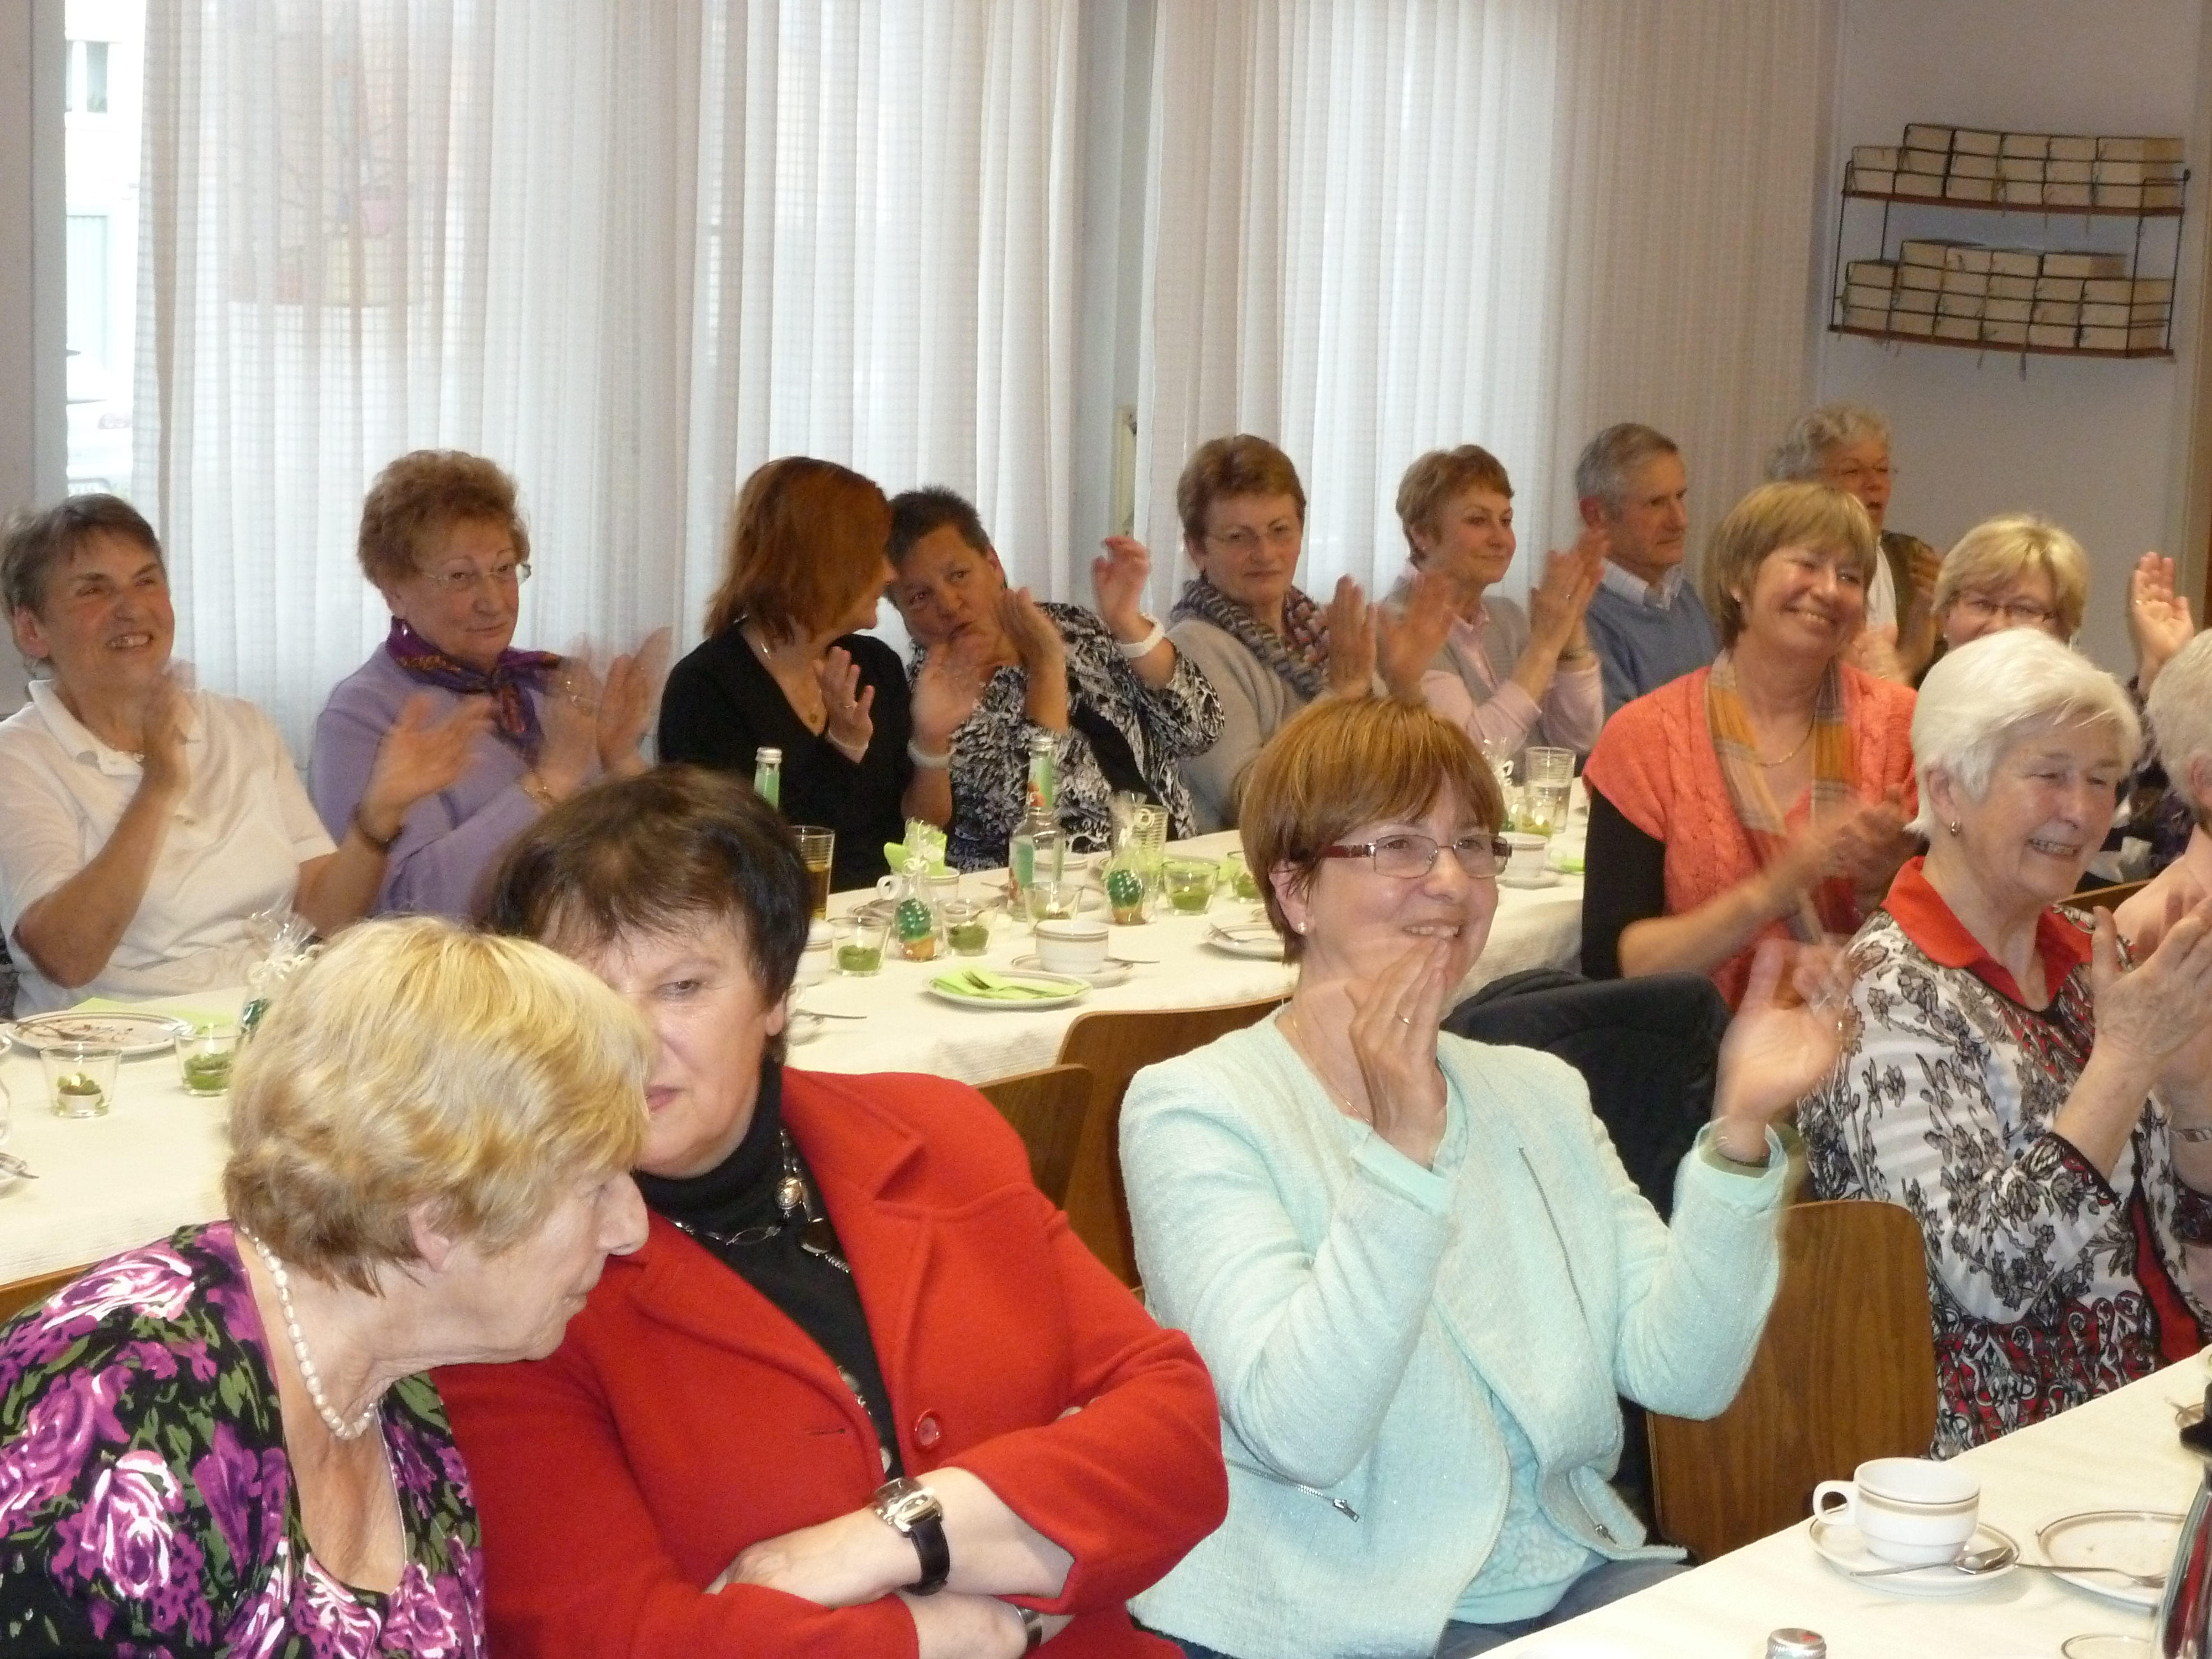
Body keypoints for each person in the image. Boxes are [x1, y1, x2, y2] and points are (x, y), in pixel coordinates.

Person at [438, 766, 1228, 1657]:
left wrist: (898, 1535)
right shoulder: (511, 1284)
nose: (629, 1041)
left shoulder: (939, 1137)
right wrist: (979, 1627)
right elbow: (610, 1638)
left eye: (683, 987)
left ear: (775, 993)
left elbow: (1177, 1435)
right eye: (586, 996)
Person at [1119, 695, 1848, 1659]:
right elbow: (1300, 1433)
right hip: (1339, 1619)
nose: (1452, 882)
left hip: (1574, 1580)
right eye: (1399, 847)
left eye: (1472, 844)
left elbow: (1686, 1375)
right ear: (1296, 892)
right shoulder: (1199, 1109)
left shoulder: (1537, 1092)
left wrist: (1741, 1131)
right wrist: (1401, 1157)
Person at [0, 916, 651, 1653]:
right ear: (439, 1220)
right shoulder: (122, 1422)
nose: (631, 1228)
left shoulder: (397, 1383)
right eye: (597, 1188)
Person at [1798, 630, 2212, 1456]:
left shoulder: (2089, 956)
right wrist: (2125, 1062)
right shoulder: (1883, 996)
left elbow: (2190, 1227)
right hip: (2007, 1442)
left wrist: (2192, 1087)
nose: (2083, 811)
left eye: (2101, 780)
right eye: (2049, 775)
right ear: (1947, 788)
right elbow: (1988, 1274)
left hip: (2162, 1397)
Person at [0, 495, 482, 1014]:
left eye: (146, 581)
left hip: (266, 1022)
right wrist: (159, 788)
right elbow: (67, 958)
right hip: (109, 1042)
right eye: (94, 590)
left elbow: (323, 918)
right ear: (32, 630)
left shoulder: (243, 725)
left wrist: (380, 812)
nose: (131, 608)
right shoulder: (18, 756)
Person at [1580, 482, 1917, 1009]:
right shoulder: (1645, 737)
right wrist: (1772, 891)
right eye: (1808, 564)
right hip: (1696, 1048)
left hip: (1872, 1043)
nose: (1830, 590)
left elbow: (1962, 935)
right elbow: (1614, 965)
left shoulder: (1905, 727)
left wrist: (1884, 884)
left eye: (1851, 576)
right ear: (1739, 580)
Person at [310, 450, 666, 919]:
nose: (494, 602)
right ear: (394, 591)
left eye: (504, 569)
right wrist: (552, 780)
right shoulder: (363, 715)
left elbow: (656, 866)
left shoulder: (545, 684)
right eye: (461, 577)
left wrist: (621, 760)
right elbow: (410, 909)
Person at [888, 487, 1223, 870]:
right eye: (919, 597)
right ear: (902, 615)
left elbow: (1200, 731)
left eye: (959, 575)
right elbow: (1041, 811)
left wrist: (1128, 625)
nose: (948, 604)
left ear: (993, 564)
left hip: (1170, 868)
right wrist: (1047, 667)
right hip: (1047, 890)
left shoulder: (1072, 625)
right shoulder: (929, 699)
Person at [659, 456, 919, 890]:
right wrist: (843, 747)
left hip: (883, 913)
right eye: (874, 554)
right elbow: (746, 857)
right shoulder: (706, 689)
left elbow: (911, 830)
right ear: (826, 562)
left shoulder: (876, 666)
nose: (891, 573)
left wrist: (934, 743)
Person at [1931, 518, 2199, 875]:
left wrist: (2160, 672)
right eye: (1981, 603)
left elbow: (2144, 836)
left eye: (2025, 609)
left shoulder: (2087, 728)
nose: (1998, 625)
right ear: (1945, 616)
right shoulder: (1902, 714)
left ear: (2063, 628)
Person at [1162, 436, 1380, 832]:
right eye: (1238, 537)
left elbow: (1393, 758)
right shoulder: (1189, 647)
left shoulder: (1317, 628)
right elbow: (1250, 800)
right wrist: (1340, 695)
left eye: (1280, 530)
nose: (1265, 553)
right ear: (1196, 550)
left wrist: (1405, 684)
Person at [1390, 444, 1604, 758]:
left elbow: (1577, 741)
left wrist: (1570, 632)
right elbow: (1472, 756)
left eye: (1506, 521)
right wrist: (1544, 646)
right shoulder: (1398, 624)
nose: (1501, 540)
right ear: (1422, 534)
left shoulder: (1507, 616)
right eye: (1478, 521)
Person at [1766, 402, 1942, 682]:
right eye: (1852, 471)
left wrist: (1942, 617)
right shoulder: (1782, 569)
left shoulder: (1911, 558)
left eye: (1882, 470)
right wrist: (1908, 658)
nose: (1875, 483)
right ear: (1802, 483)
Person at [1575, 424, 1716, 715]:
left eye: (1680, 497)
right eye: (1656, 503)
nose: (1680, 521)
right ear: (1595, 515)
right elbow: (1617, 738)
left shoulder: (1682, 594)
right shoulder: (1584, 617)